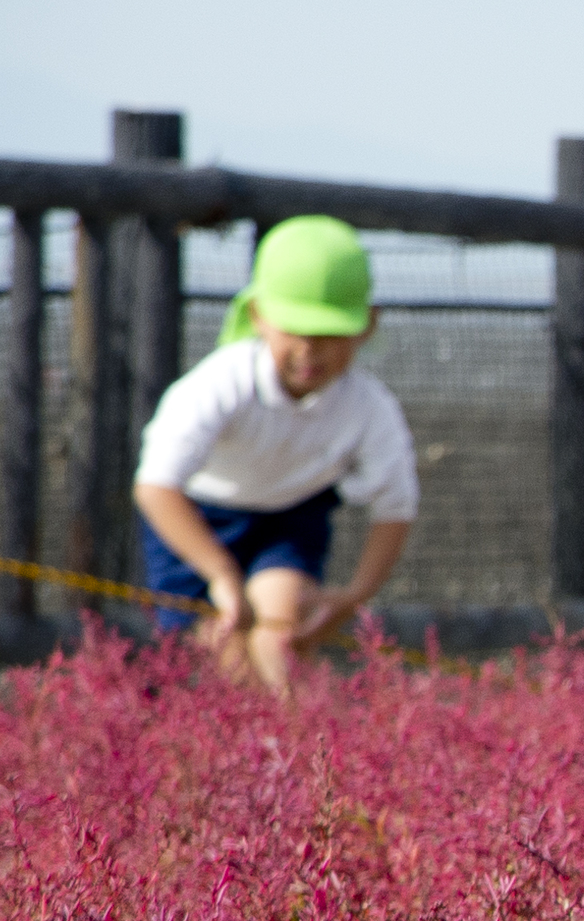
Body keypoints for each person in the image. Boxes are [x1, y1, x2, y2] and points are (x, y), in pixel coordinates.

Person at [131, 216, 419, 695]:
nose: (310, 350)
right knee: (224, 651)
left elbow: (396, 506)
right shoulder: (222, 381)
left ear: (367, 326)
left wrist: (355, 595)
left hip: (290, 519)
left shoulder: (370, 407)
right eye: (295, 329)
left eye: (329, 334)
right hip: (197, 523)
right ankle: (261, 743)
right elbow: (156, 486)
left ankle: (306, 747)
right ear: (259, 314)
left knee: (280, 626)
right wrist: (220, 573)